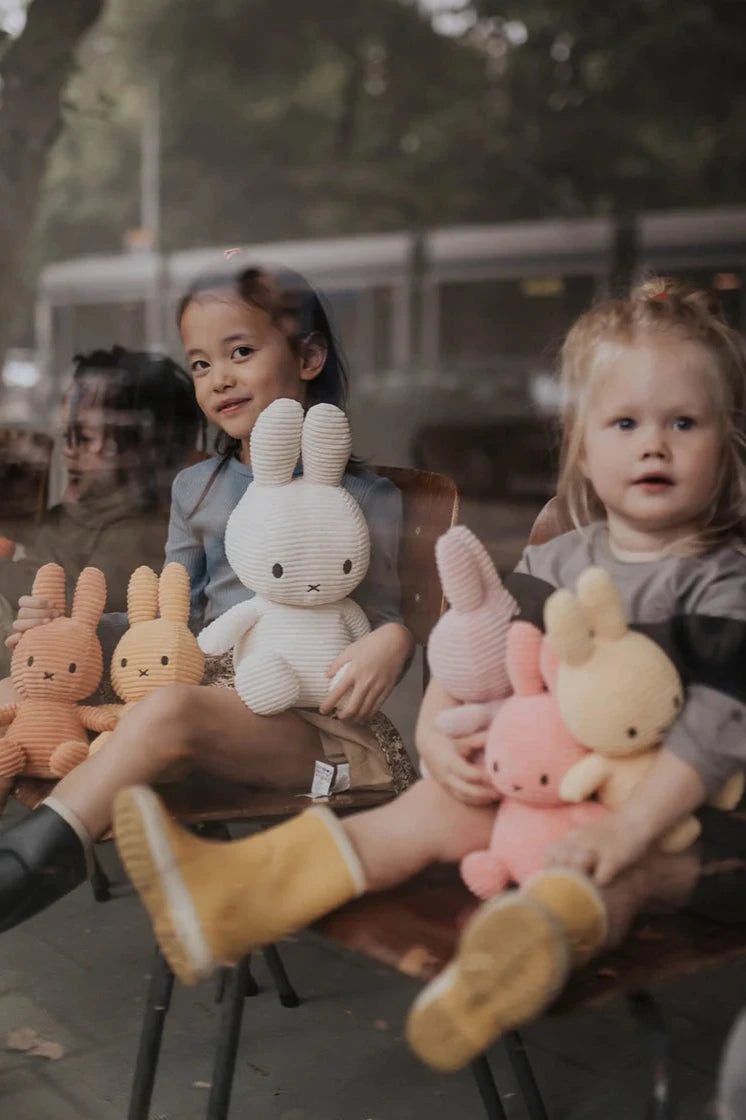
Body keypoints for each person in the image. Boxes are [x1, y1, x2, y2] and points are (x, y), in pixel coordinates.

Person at [109, 277, 746, 1071]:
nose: (654, 443)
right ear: (585, 444)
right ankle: (240, 893)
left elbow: (718, 729)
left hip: (673, 830)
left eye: (683, 422)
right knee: (424, 813)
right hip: (533, 794)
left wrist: (626, 825)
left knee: (621, 872)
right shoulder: (557, 558)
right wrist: (436, 723)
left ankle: (513, 959)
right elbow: (476, 642)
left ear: (726, 441)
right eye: (625, 422)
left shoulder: (720, 581)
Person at [0, 262, 414, 931]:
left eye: (240, 352)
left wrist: (394, 640)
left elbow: (388, 618)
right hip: (207, 693)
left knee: (169, 714)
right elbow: (175, 621)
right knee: (11, 694)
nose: (218, 377)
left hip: (318, 737)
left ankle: (27, 869)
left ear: (308, 355)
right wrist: (65, 632)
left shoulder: (365, 497)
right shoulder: (196, 490)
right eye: (199, 364)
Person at [0, 346, 203, 680]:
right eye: (66, 435)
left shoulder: (139, 536)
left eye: (83, 437)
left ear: (144, 451)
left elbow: (74, 618)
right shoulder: (75, 515)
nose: (67, 450)